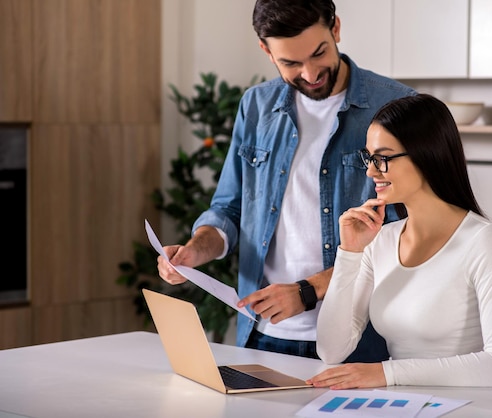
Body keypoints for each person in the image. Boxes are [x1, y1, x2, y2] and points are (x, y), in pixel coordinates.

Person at [156, 0, 416, 361]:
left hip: (358, 338)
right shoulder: (256, 106)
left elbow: (408, 236)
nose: (310, 74)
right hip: (259, 334)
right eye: (291, 63)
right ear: (266, 50)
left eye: (318, 53)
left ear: (336, 28)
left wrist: (307, 292)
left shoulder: (396, 106)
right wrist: (194, 251)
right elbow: (229, 209)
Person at [307, 94, 492, 389]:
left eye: (382, 158)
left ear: (426, 154)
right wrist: (349, 253)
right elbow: (331, 350)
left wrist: (387, 374)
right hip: (401, 405)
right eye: (369, 158)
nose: (371, 171)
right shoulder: (381, 240)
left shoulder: (484, 240)